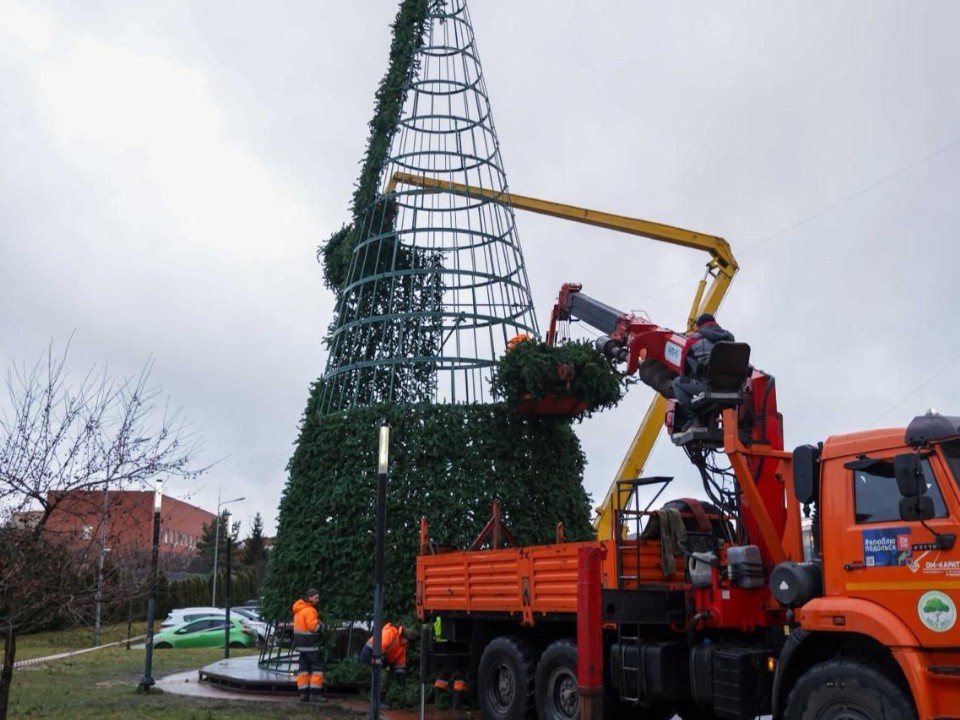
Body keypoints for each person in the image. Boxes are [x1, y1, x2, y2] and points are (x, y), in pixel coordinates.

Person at [672, 313, 736, 414]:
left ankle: (692, 417)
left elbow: (684, 367)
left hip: (709, 386)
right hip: (732, 386)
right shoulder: (729, 337)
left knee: (677, 383)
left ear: (699, 326)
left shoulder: (694, 339)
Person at [360, 621, 417, 697]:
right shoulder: (391, 633)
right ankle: (376, 699)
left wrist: (401, 676)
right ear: (404, 636)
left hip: (380, 657)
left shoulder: (402, 646)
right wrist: (384, 662)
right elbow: (380, 648)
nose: (408, 644)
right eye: (408, 641)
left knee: (389, 677)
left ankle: (381, 698)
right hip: (369, 653)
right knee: (381, 675)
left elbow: (400, 662)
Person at [292, 588, 326, 702]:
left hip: (300, 645)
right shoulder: (310, 610)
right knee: (318, 668)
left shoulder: (298, 610)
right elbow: (313, 627)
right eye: (316, 597)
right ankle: (315, 694)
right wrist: (321, 626)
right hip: (311, 644)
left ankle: (303, 693)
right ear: (310, 597)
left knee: (303, 669)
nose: (318, 600)